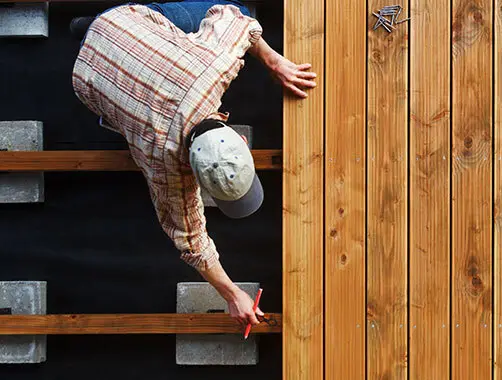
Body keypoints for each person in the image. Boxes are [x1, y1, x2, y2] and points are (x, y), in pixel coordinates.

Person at [70, 0, 317, 326]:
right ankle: (91, 34)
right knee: (128, 127)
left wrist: (275, 63)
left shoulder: (211, 68)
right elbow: (190, 241)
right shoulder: (162, 165)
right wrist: (230, 294)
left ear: (240, 140)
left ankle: (89, 28)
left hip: (118, 26)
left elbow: (235, 18)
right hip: (86, 75)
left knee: (240, 9)